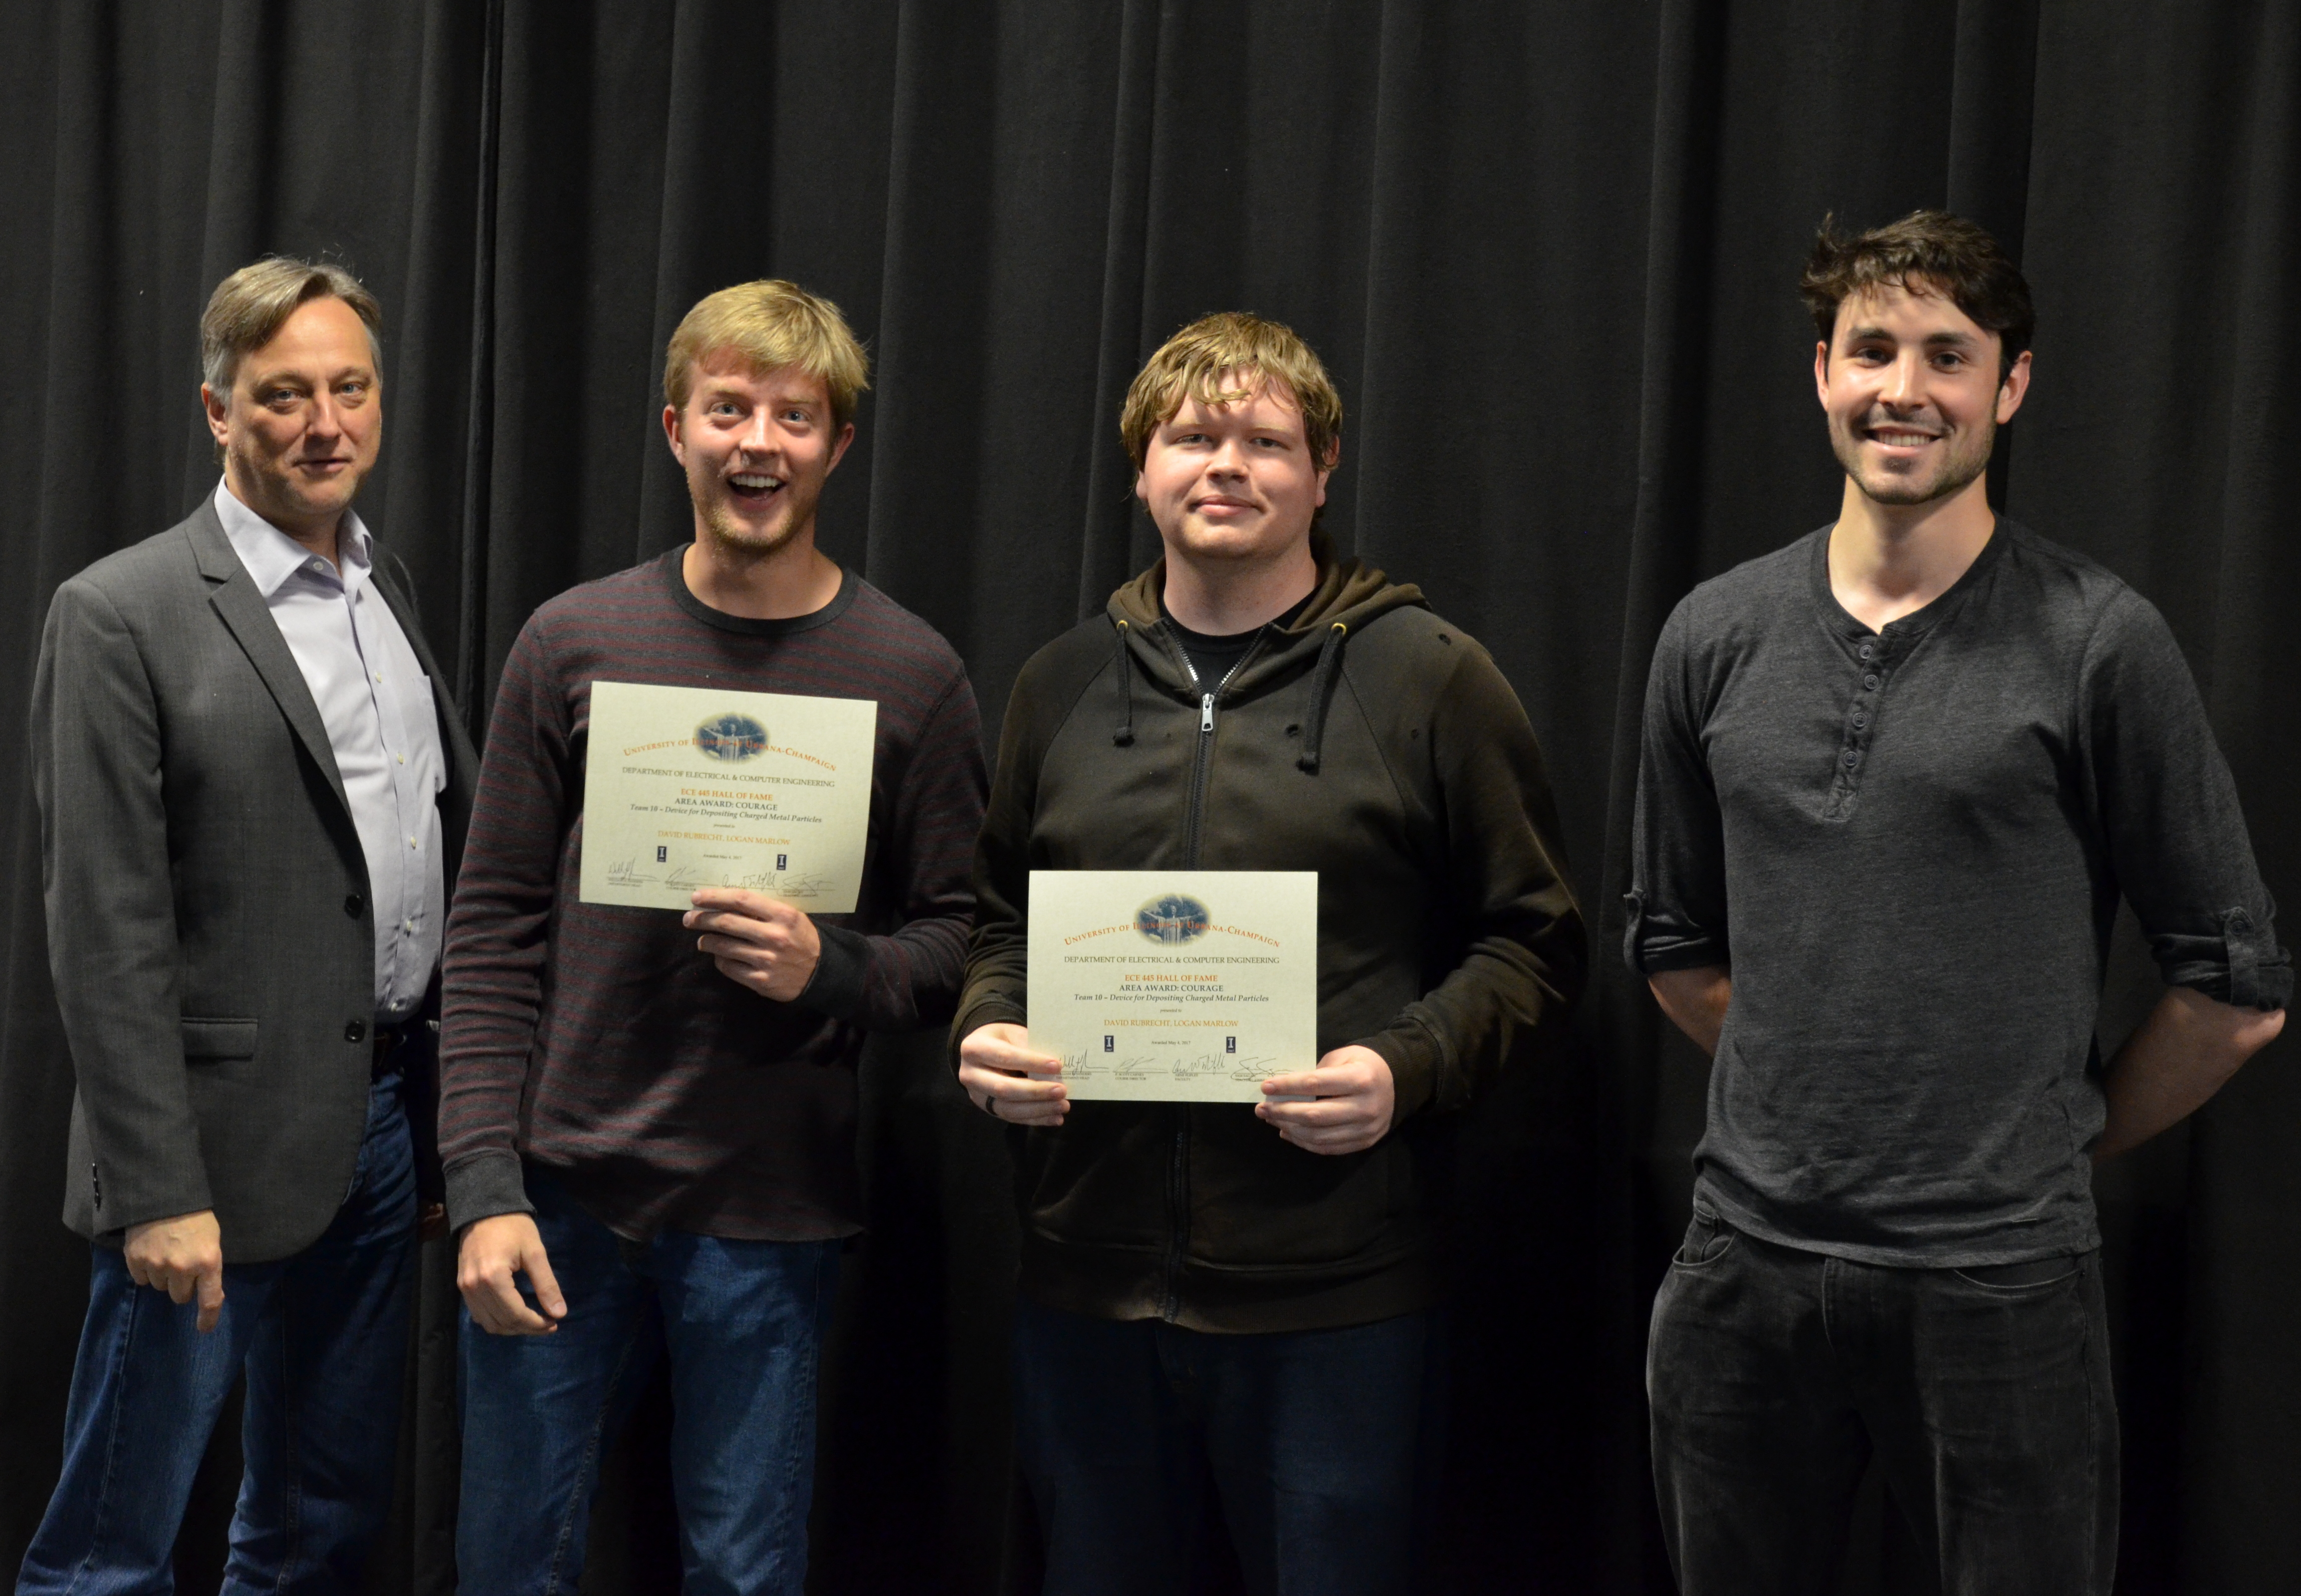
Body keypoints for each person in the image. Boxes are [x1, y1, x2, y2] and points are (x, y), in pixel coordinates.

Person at [1629, 209, 2290, 1594]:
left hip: (2001, 1285)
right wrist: (1814, 1089)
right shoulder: (1712, 635)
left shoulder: (2099, 640)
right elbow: (1676, 945)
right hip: (1743, 1273)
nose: (1904, 389)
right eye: (1873, 349)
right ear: (1823, 370)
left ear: (2013, 385)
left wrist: (2052, 1129)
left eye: (1949, 354)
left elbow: (2233, 990)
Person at [955, 312, 1585, 1595]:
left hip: (1337, 1304)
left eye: (1263, 440)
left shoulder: (1430, 679)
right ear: (1141, 470)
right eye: (1192, 438)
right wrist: (989, 1022)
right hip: (1086, 1292)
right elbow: (997, 919)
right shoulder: (1059, 682)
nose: (1225, 465)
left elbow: (1536, 940)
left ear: (1324, 467)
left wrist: (1403, 1070)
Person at [439, 279, 986, 1594]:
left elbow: (961, 942)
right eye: (730, 408)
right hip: (559, 1197)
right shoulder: (572, 640)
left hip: (771, 1214)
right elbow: (494, 931)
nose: (760, 442)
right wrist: (481, 1190)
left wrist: (836, 970)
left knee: (746, 1573)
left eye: (796, 415)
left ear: (839, 444)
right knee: (510, 1565)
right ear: (676, 425)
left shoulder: (915, 673)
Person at [21, 257, 474, 1592]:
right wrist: (155, 1187)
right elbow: (102, 929)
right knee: (111, 1549)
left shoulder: (386, 592)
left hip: (382, 1137)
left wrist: (446, 1125)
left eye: (350, 388)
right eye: (284, 396)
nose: (325, 422)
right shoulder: (122, 611)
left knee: (321, 1529)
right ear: (219, 413)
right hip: (203, 1157)